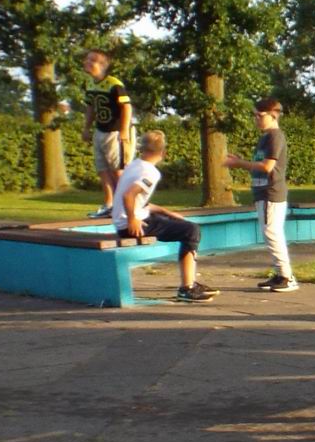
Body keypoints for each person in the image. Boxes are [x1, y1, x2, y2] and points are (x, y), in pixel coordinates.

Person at [110, 130, 218, 302]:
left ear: (142, 149)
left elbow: (140, 202)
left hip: (131, 221)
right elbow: (128, 195)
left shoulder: (134, 165)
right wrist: (132, 219)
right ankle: (187, 288)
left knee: (182, 225)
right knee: (191, 230)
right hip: (133, 225)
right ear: (163, 152)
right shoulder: (150, 172)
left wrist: (168, 213)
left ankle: (190, 283)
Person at [223, 96, 297, 292]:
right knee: (270, 233)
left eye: (260, 115)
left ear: (273, 115)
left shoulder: (275, 136)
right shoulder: (265, 137)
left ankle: (286, 277)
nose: (256, 119)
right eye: (254, 115)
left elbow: (267, 166)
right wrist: (241, 161)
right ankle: (280, 274)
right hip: (263, 192)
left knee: (272, 233)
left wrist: (239, 164)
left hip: (271, 191)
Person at [81, 50, 132, 219]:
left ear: (102, 65)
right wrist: (86, 128)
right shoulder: (89, 83)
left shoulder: (113, 84)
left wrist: (124, 130)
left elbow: (126, 107)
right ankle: (109, 205)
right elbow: (90, 108)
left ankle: (126, 206)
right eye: (87, 59)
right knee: (102, 170)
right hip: (100, 130)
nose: (87, 62)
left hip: (114, 132)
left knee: (118, 171)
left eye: (92, 60)